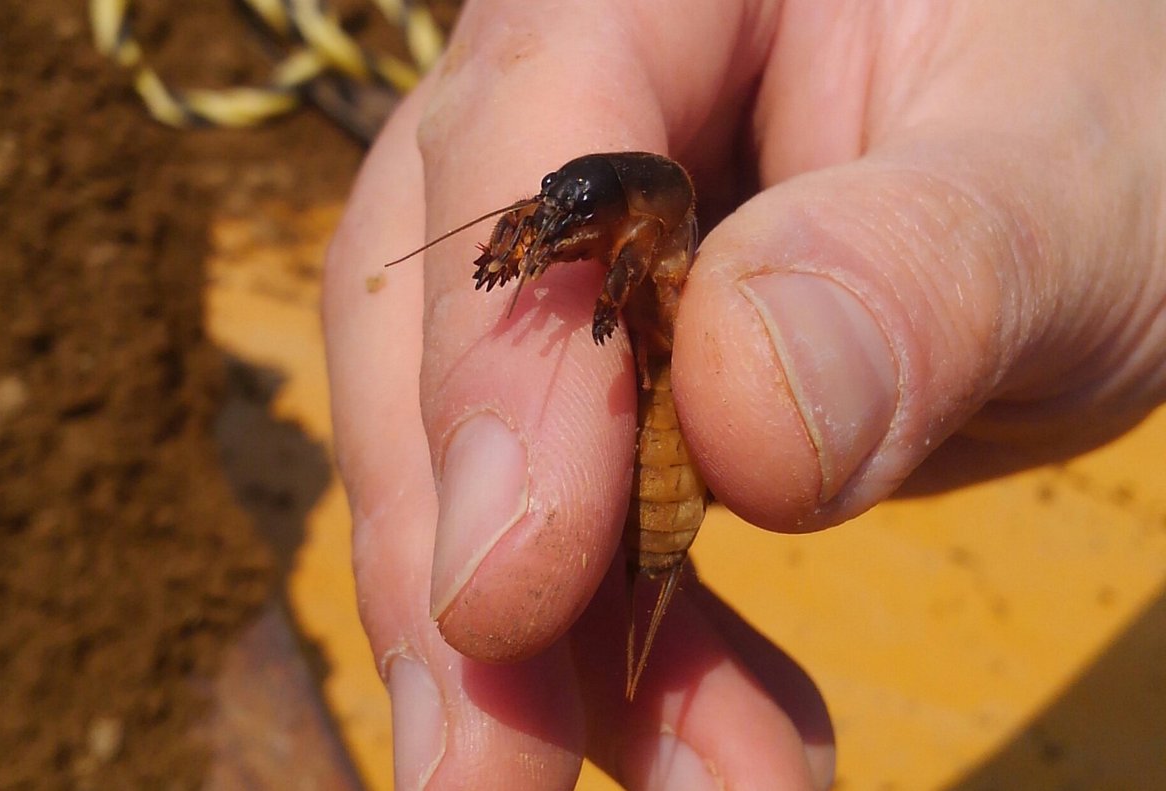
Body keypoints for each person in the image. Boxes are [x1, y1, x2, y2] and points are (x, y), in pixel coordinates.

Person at [322, 2, 1166, 788]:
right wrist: (528, 237)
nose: (556, 224)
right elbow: (574, 220)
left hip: (688, 406)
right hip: (665, 379)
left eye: (573, 218)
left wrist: (611, 298)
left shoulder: (648, 234)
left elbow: (628, 264)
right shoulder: (607, 205)